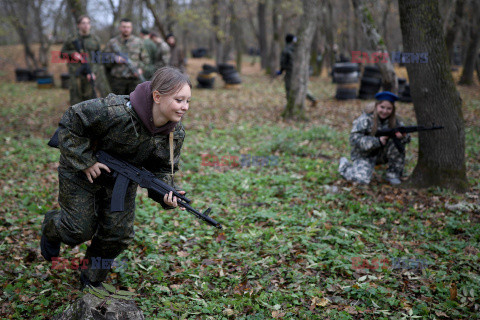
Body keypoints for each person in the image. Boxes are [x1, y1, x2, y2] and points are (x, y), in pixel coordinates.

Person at [40, 67, 191, 288]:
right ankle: (52, 227)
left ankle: (91, 275)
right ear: (157, 97)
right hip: (82, 171)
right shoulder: (115, 111)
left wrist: (166, 194)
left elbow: (163, 169)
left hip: (122, 178)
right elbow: (72, 120)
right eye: (179, 100)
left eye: (188, 101)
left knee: (118, 234)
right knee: (78, 229)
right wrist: (85, 161)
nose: (185, 107)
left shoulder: (174, 134)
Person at [338, 91, 411, 185]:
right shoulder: (365, 119)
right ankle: (344, 166)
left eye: (389, 108)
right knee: (361, 180)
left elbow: (407, 139)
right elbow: (354, 139)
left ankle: (393, 174)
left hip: (382, 155)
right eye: (382, 107)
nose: (385, 111)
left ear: (393, 109)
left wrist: (403, 137)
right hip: (364, 155)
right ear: (376, 106)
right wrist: (377, 141)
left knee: (397, 143)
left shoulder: (395, 121)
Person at [61, 15, 101, 105]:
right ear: (78, 25)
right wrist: (72, 54)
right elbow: (61, 54)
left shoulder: (95, 40)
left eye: (88, 23)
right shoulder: (71, 39)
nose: (86, 25)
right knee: (75, 100)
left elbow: (98, 59)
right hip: (75, 75)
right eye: (83, 23)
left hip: (89, 74)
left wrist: (93, 72)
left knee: (90, 101)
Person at [104, 18, 149, 94]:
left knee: (134, 103)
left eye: (128, 27)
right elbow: (104, 58)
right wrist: (114, 59)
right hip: (117, 80)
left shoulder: (138, 42)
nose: (126, 29)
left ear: (131, 28)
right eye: (124, 27)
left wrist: (141, 69)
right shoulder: (112, 42)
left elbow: (146, 60)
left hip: (134, 80)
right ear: (120, 28)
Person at [277, 34, 317, 107]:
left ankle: (290, 104)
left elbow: (283, 62)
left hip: (290, 72)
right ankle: (312, 98)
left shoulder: (286, 49)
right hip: (300, 71)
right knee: (300, 86)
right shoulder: (298, 48)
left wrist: (281, 71)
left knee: (289, 87)